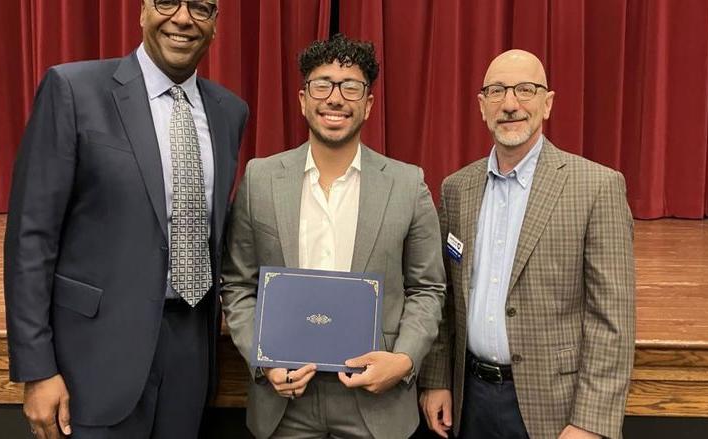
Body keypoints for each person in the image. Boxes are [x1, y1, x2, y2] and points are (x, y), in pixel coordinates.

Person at [4, 1, 248, 437]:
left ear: (214, 24)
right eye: (167, 2)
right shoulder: (73, 89)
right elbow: (31, 237)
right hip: (94, 357)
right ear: (141, 11)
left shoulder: (230, 112)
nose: (183, 18)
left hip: (190, 354)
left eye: (201, 7)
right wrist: (37, 369)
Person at [220, 33, 446, 439]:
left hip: (377, 406)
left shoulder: (408, 184)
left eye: (351, 87)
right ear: (304, 98)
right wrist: (264, 359)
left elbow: (428, 288)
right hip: (284, 407)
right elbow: (238, 284)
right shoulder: (260, 179)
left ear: (368, 104)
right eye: (322, 85)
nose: (335, 98)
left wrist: (404, 359)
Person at [419, 49, 635, 439]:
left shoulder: (597, 187)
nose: (511, 104)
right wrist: (436, 379)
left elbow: (612, 322)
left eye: (525, 90)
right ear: (482, 106)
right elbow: (445, 299)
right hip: (471, 402)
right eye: (497, 91)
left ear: (547, 103)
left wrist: (590, 421)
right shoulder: (456, 190)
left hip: (557, 409)